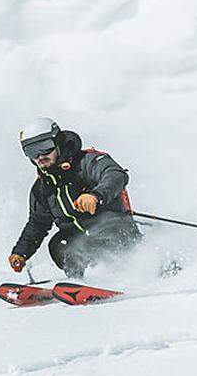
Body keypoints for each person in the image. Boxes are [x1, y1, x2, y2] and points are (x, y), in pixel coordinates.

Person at [8, 117, 141, 278]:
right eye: (32, 151)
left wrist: (96, 196)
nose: (40, 156)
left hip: (115, 231)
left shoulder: (85, 162)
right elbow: (38, 223)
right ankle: (81, 280)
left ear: (57, 142)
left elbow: (115, 174)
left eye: (45, 147)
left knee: (97, 236)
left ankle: (113, 273)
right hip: (81, 241)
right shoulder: (41, 188)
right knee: (58, 244)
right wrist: (21, 252)